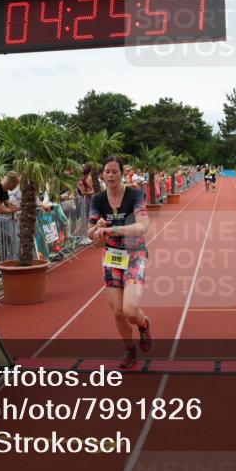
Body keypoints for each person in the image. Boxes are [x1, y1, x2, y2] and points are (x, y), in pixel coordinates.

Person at [88, 156, 153, 368]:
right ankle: (129, 350)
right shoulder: (97, 200)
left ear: (122, 173)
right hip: (112, 257)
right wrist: (97, 230)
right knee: (117, 312)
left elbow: (143, 226)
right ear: (102, 175)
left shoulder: (134, 195)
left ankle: (143, 326)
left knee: (130, 311)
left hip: (135, 254)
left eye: (115, 171)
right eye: (107, 171)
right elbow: (90, 233)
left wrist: (112, 229)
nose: (111, 175)